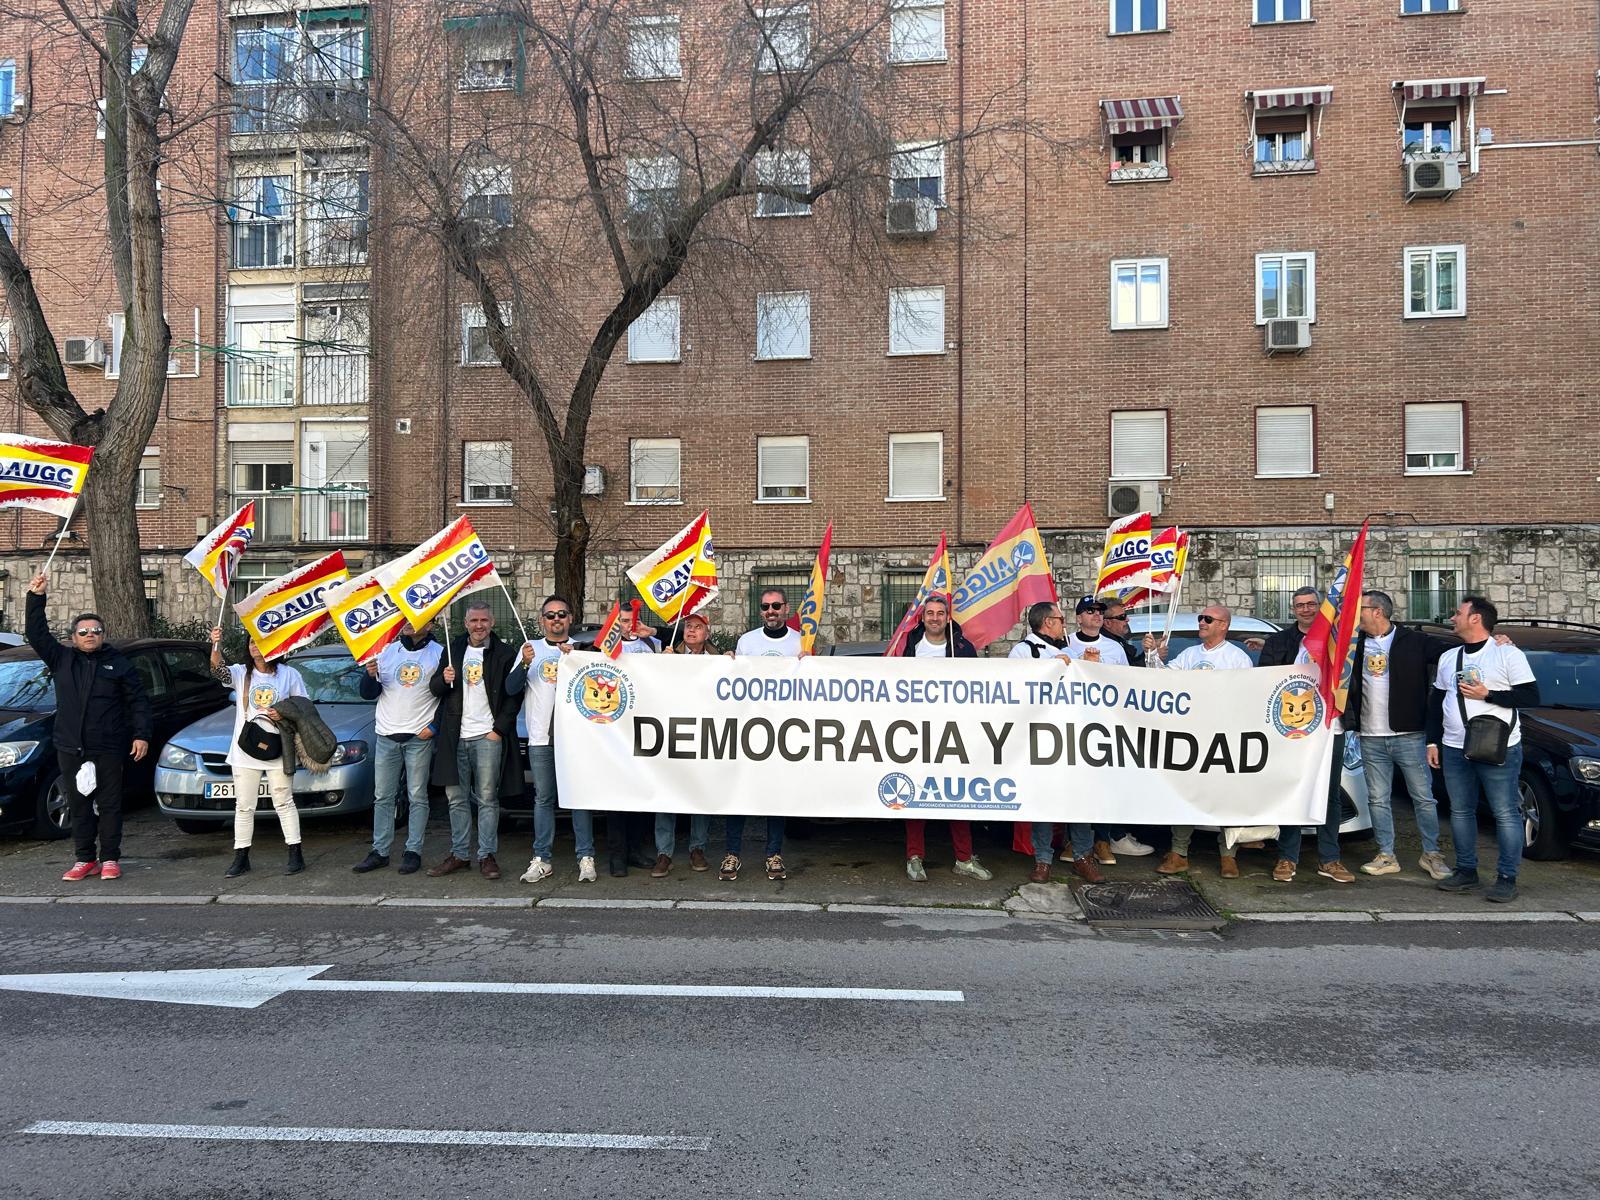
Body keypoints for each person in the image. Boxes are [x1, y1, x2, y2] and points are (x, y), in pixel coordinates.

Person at [25, 572, 151, 883]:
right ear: (74, 637)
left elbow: (138, 700)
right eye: (83, 631)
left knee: (109, 805)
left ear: (103, 635)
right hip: (71, 746)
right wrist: (36, 598)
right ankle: (85, 859)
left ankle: (109, 859)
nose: (90, 635)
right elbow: (36, 634)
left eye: (96, 631)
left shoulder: (119, 663)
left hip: (108, 746)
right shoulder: (61, 659)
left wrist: (141, 735)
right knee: (78, 804)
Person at [1145, 604, 1281, 879]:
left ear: (1223, 625)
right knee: (1187, 794)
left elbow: (1247, 697)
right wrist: (1152, 654)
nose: (1202, 622)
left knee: (1225, 795)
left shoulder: (1237, 658)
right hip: (1190, 738)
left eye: (1208, 619)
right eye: (1201, 618)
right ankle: (1179, 853)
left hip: (1224, 737)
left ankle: (1228, 855)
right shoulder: (1189, 654)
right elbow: (1164, 681)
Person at [1428, 595, 1539, 903]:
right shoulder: (1449, 657)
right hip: (1453, 745)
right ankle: (1466, 870)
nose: (1452, 618)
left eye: (1458, 613)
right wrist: (1432, 741)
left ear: (1475, 618)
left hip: (1498, 746)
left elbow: (1530, 696)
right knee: (1460, 810)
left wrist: (1488, 694)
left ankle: (1507, 878)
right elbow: (1437, 701)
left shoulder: (1507, 653)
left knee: (1505, 812)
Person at [426, 600, 525, 880]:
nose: (479, 625)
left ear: (492, 622)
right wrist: (443, 679)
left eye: (483, 620)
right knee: (455, 798)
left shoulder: (504, 653)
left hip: (487, 736)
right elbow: (435, 689)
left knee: (487, 798)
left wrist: (498, 730)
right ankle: (459, 854)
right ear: (465, 623)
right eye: (473, 621)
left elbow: (513, 695)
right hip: (455, 736)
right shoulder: (453, 649)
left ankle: (486, 855)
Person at [896, 595, 993, 882]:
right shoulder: (910, 647)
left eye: (940, 613)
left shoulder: (962, 648)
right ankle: (914, 857)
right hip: (918, 732)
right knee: (916, 794)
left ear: (947, 617)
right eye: (930, 613)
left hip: (955, 732)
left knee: (958, 794)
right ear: (922, 617)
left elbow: (978, 686)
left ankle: (964, 859)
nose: (935, 618)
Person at [1010, 600, 1103, 885]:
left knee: (1078, 797)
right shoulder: (1023, 651)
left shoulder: (1069, 652)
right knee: (1045, 798)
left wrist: (1090, 668)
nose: (1064, 624)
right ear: (1048, 622)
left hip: (1072, 735)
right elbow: (1015, 687)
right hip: (1040, 736)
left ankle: (1083, 857)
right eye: (1061, 619)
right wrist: (1051, 668)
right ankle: (1043, 859)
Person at [209, 627, 308, 877]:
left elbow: (304, 707)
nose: (255, 646)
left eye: (260, 642)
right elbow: (218, 670)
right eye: (251, 642)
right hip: (245, 750)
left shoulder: (288, 674)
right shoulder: (241, 673)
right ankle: (241, 857)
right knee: (244, 806)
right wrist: (215, 645)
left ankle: (295, 853)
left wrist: (282, 713)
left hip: (279, 748)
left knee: (284, 801)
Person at [514, 596, 598, 884]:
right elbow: (511, 688)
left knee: (579, 797)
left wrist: (578, 658)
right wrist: (524, 664)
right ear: (542, 620)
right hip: (540, 737)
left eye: (562, 614)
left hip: (575, 738)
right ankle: (542, 858)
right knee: (543, 798)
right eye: (550, 615)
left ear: (570, 618)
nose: (556, 619)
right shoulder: (530, 648)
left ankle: (585, 857)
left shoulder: (583, 650)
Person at [720, 586, 801, 881]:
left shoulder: (800, 641)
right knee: (739, 791)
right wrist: (726, 662)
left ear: (786, 608)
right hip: (748, 727)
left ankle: (773, 854)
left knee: (775, 794)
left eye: (776, 606)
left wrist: (811, 662)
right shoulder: (747, 641)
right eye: (766, 607)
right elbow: (734, 680)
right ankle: (732, 854)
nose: (771, 611)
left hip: (783, 730)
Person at [1064, 596, 1153, 864]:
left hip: (1105, 723)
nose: (1096, 615)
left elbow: (1125, 682)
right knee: (1076, 783)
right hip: (1075, 721)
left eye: (1100, 611)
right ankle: (1074, 841)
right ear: (1079, 617)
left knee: (1104, 783)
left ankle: (1102, 841)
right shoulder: (1066, 643)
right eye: (1090, 611)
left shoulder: (1114, 647)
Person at [352, 619, 442, 876]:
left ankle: (413, 851)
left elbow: (448, 694)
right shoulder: (385, 651)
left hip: (419, 736)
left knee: (417, 796)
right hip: (387, 735)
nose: (409, 623)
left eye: (416, 618)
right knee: (383, 796)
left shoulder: (439, 653)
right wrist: (370, 675)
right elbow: (368, 693)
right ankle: (379, 851)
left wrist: (434, 726)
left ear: (431, 623)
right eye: (405, 618)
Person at [653, 610, 716, 876]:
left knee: (699, 792)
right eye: (688, 625)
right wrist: (661, 664)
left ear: (707, 633)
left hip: (703, 735)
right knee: (667, 792)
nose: (691, 630)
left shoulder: (718, 660)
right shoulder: (669, 655)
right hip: (672, 733)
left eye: (698, 627)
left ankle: (697, 848)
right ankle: (664, 853)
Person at [1259, 586, 1321, 666]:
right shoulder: (1274, 642)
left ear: (1320, 606)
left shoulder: (1333, 638)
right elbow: (1265, 671)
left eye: (1311, 604)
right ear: (1293, 610)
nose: (1306, 609)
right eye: (1300, 605)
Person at [1100, 599, 1145, 667]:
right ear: (1107, 623)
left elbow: (1132, 663)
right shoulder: (1107, 646)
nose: (1127, 619)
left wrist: (1149, 653)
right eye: (1122, 617)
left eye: (1126, 615)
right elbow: (1129, 670)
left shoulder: (1117, 640)